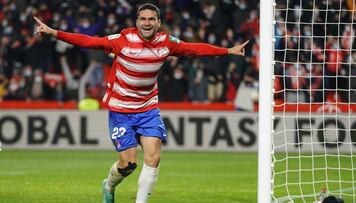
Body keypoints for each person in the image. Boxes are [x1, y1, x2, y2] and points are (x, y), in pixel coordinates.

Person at [34, 3, 248, 203]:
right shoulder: (123, 40)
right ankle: (108, 185)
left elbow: (194, 48)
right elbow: (90, 41)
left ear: (158, 22)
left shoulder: (166, 43)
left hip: (148, 108)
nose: (147, 23)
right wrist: (54, 32)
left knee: (153, 158)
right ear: (137, 22)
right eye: (143, 19)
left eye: (151, 19)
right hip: (120, 109)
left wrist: (227, 51)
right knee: (128, 164)